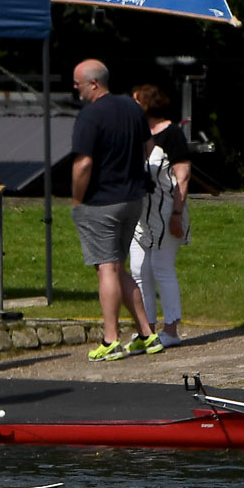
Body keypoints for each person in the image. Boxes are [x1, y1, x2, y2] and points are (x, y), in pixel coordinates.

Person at [71, 60, 158, 360]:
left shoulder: (90, 116)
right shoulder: (132, 108)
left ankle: (111, 340)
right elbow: (148, 145)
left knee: (106, 268)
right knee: (118, 266)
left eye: (77, 83)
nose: (74, 88)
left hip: (101, 201)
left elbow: (83, 163)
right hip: (132, 198)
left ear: (93, 84)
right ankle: (147, 333)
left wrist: (77, 199)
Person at [132, 84, 193, 347]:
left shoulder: (172, 133)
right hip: (140, 214)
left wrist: (177, 213)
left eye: (136, 101)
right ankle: (146, 328)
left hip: (167, 210)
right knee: (137, 268)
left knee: (161, 267)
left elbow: (183, 176)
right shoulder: (136, 133)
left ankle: (171, 329)